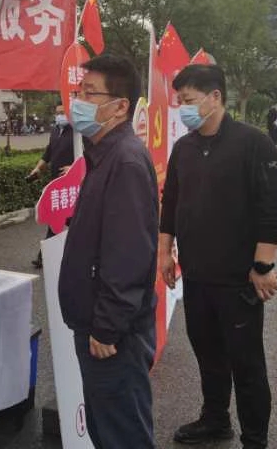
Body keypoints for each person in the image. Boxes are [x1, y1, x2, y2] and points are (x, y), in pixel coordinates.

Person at [159, 65, 277, 449]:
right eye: (179, 101)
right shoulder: (184, 147)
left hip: (238, 281)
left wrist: (263, 266)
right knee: (208, 355)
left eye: (188, 100)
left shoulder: (253, 143)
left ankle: (255, 440)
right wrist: (165, 252)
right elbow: (171, 203)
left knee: (246, 365)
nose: (183, 108)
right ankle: (215, 420)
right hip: (196, 276)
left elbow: (274, 207)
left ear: (215, 97)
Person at [58, 54, 159, 449]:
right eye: (78, 91)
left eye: (89, 93)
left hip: (113, 337)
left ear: (120, 107)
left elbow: (128, 255)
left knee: (122, 434)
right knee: (107, 429)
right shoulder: (104, 155)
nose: (78, 101)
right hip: (100, 324)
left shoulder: (125, 161)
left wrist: (107, 326)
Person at [28, 102, 74, 268]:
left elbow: (89, 155)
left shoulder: (78, 133)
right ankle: (44, 257)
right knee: (58, 220)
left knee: (71, 222)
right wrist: (37, 168)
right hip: (56, 184)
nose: (60, 115)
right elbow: (48, 153)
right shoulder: (55, 131)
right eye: (57, 112)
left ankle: (46, 257)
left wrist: (73, 167)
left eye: (63, 112)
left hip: (71, 186)